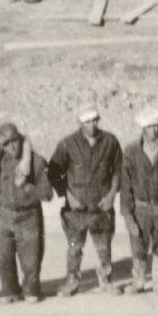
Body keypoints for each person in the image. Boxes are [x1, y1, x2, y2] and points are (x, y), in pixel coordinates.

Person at [47, 106, 123, 296]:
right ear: (80, 123)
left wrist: (112, 194)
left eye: (96, 120)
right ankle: (72, 282)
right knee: (74, 248)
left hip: (101, 208)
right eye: (88, 121)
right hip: (76, 211)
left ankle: (106, 280)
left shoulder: (110, 142)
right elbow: (54, 173)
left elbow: (118, 171)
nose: (93, 124)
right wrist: (68, 196)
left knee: (104, 248)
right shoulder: (67, 144)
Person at [119, 107, 158, 295]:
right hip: (140, 209)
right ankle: (138, 281)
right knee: (138, 247)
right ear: (142, 128)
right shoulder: (131, 151)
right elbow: (125, 188)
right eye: (149, 127)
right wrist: (128, 217)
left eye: (156, 126)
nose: (154, 130)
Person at [0, 123, 52, 304]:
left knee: (31, 258)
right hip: (4, 214)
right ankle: (9, 289)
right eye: (7, 144)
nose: (12, 147)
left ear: (21, 140)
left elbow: (48, 193)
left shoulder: (37, 161)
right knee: (4, 256)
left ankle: (31, 288)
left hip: (28, 216)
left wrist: (27, 187)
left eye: (15, 141)